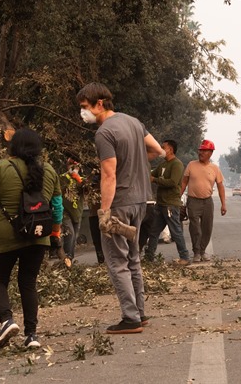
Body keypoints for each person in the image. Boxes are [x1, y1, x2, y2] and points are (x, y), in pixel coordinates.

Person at [77, 82, 165, 334]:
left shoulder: (104, 133)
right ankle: (140, 312)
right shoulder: (134, 122)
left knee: (117, 262)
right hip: (141, 201)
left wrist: (104, 212)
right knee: (133, 258)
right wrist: (135, 161)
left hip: (120, 203)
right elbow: (157, 149)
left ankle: (130, 317)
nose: (83, 112)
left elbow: (109, 174)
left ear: (99, 104)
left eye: (85, 107)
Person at [0, 128, 63, 350]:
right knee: (28, 282)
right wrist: (55, 234)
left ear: (13, 147)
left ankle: (7, 320)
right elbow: (57, 209)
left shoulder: (1, 168)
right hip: (39, 236)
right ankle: (32, 335)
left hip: (7, 237)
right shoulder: (49, 170)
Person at [145, 139, 190, 265]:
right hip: (161, 204)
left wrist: (155, 180)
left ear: (170, 149)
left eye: (163, 147)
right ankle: (149, 258)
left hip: (170, 204)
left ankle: (185, 257)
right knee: (153, 232)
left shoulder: (177, 164)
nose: (160, 149)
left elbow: (173, 182)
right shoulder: (162, 165)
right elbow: (151, 174)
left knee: (175, 231)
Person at [181, 139, 226, 262]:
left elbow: (220, 186)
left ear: (210, 153)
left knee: (207, 227)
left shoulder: (215, 168)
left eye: (204, 150)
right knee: (195, 227)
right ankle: (196, 252)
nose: (200, 152)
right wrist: (178, 197)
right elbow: (184, 182)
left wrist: (223, 204)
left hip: (207, 201)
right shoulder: (191, 165)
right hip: (193, 200)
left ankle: (202, 250)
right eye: (200, 150)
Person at [60, 156, 84, 267]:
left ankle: (70, 261)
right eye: (71, 164)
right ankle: (66, 260)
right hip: (65, 212)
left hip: (77, 213)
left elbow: (88, 189)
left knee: (74, 237)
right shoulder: (62, 178)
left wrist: (77, 177)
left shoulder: (82, 180)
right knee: (70, 234)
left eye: (75, 165)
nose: (73, 167)